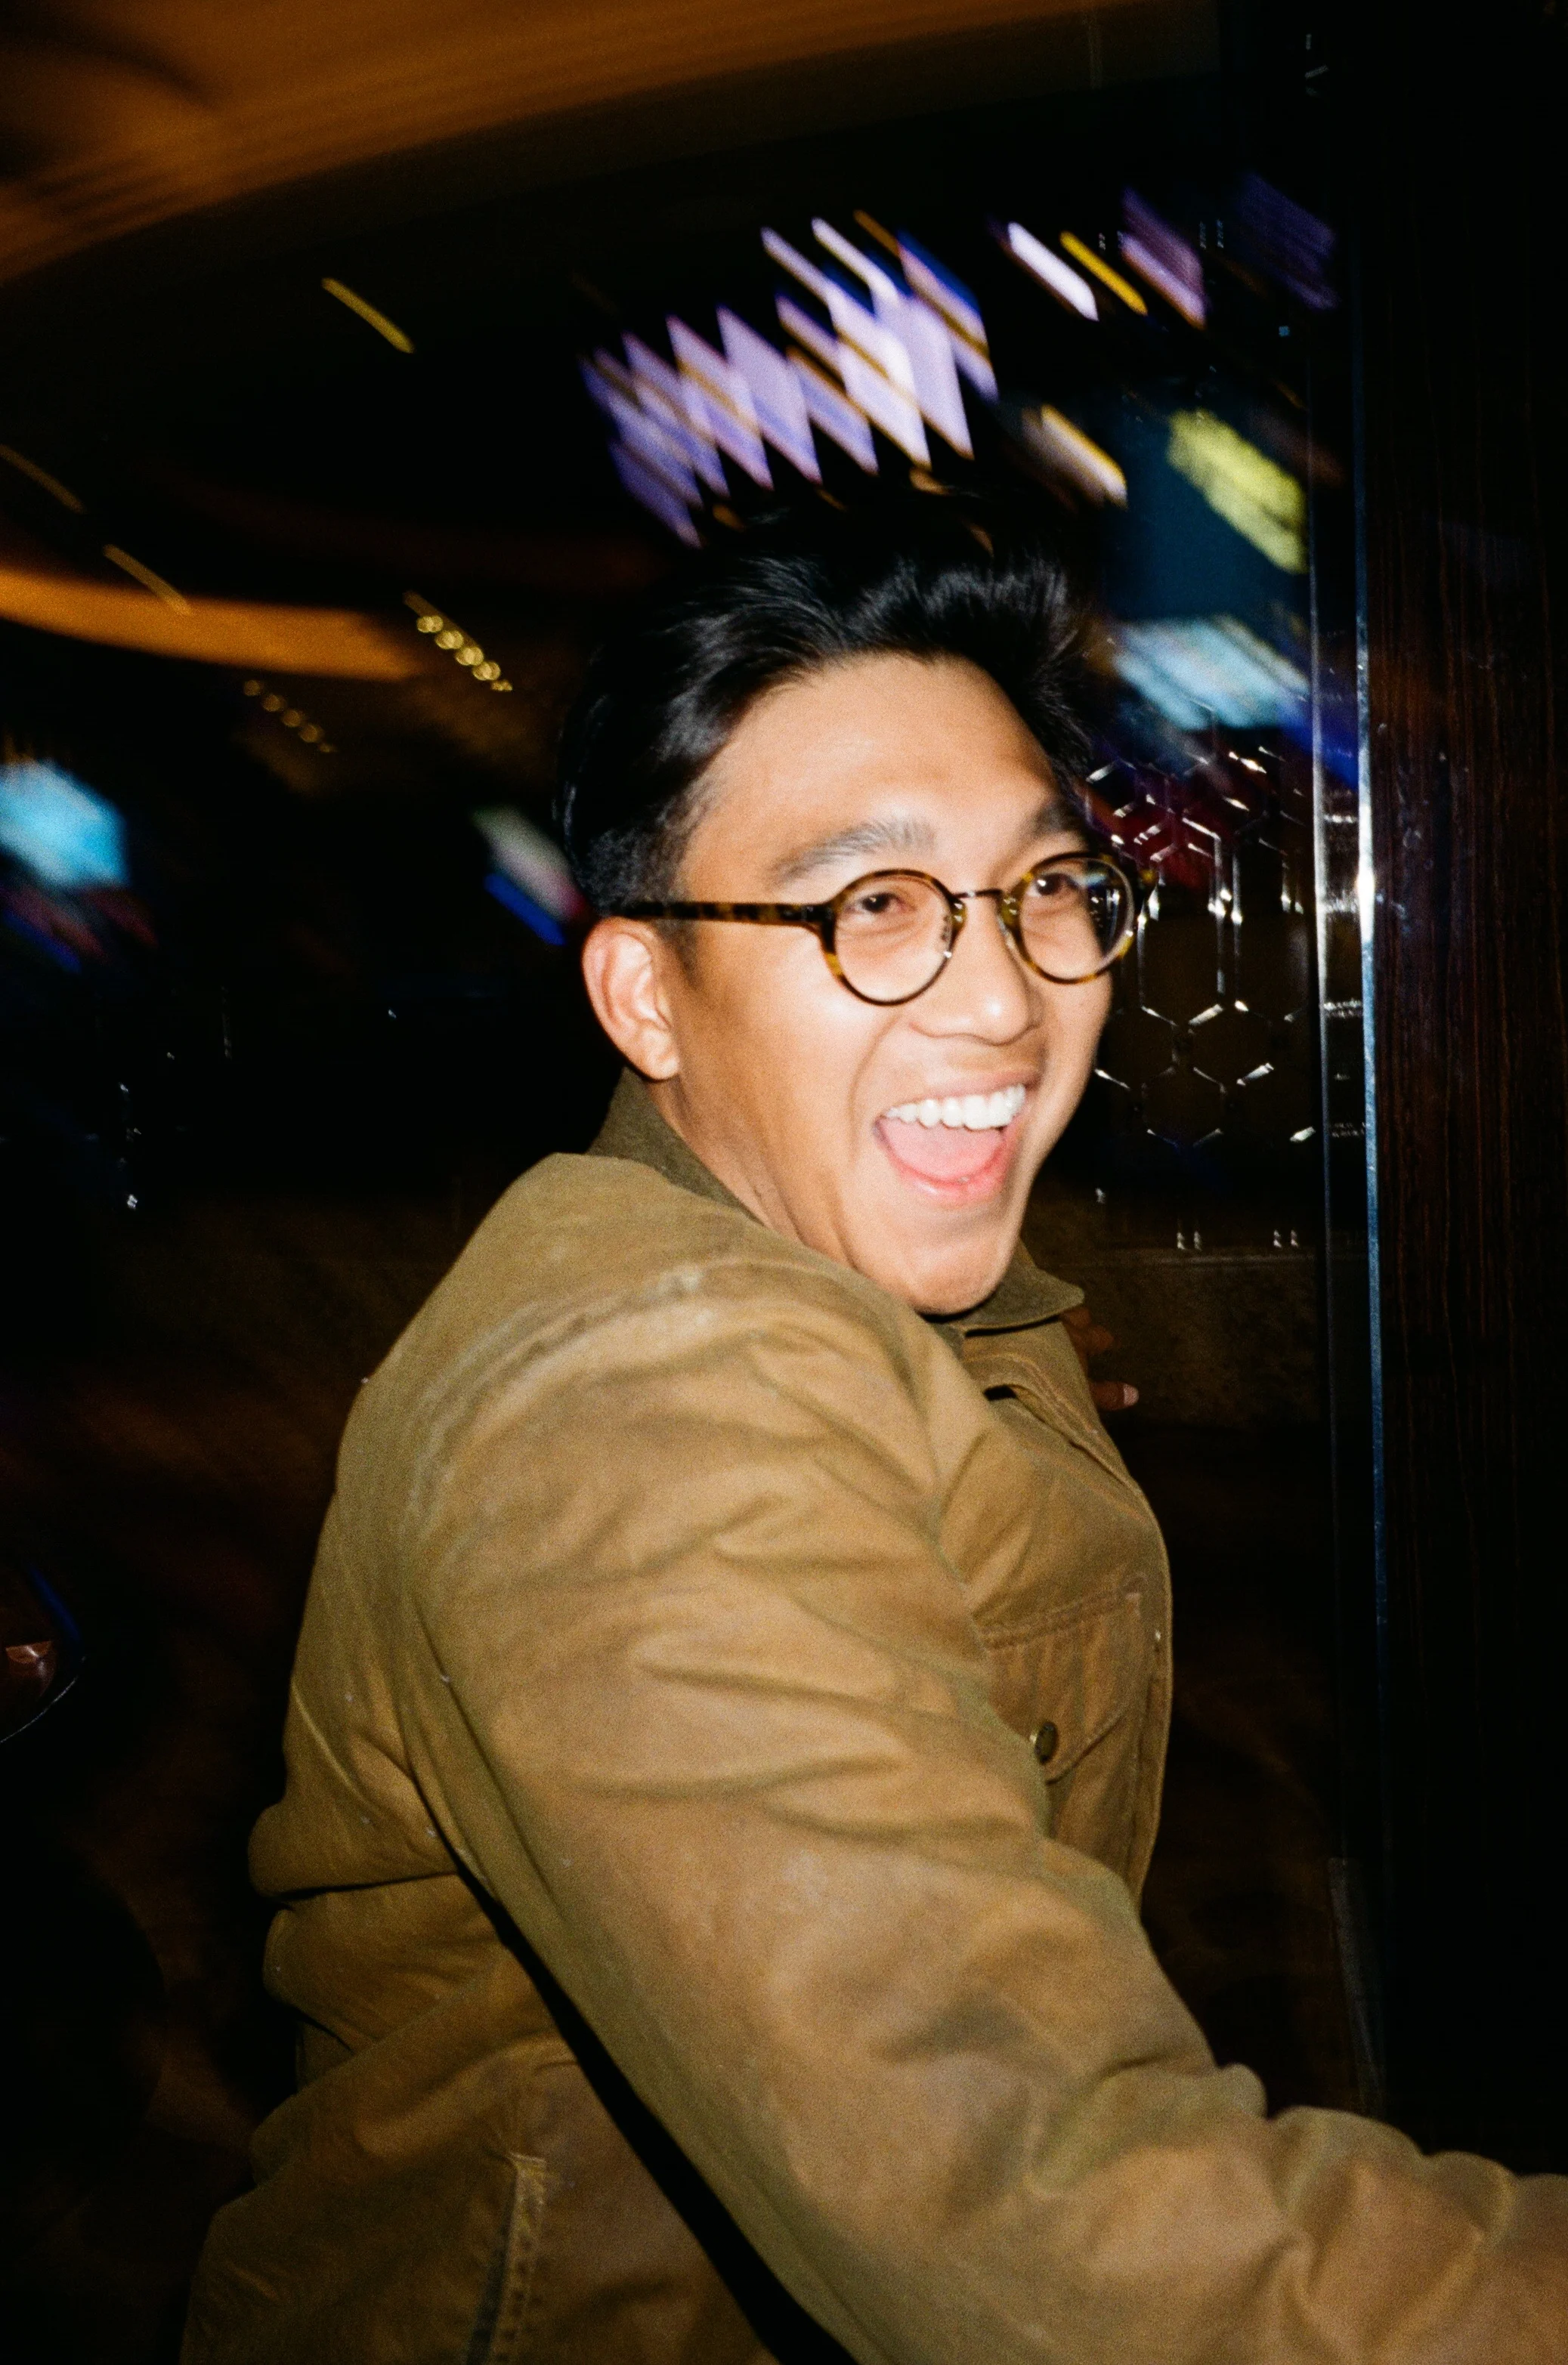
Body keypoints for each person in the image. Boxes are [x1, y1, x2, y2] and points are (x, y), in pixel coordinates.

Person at [182, 505, 1566, 2363]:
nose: (1004, 995)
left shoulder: (876, 1294)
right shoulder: (649, 1402)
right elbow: (1039, 2215)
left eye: (1044, 886)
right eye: (874, 905)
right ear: (645, 995)